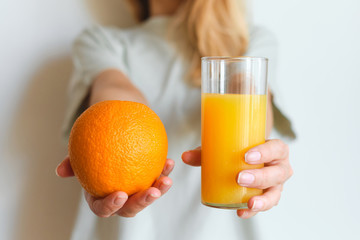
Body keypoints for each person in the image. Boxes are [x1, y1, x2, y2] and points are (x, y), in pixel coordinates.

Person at [56, 0, 295, 239]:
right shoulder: (101, 41)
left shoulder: (249, 39)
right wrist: (111, 146)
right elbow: (115, 93)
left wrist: (259, 153)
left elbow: (249, 101)